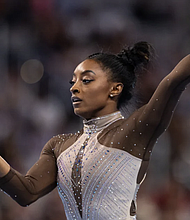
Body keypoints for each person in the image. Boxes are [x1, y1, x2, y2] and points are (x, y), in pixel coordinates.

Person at [0, 41, 190, 220]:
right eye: (73, 82)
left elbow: (173, 81)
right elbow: (26, 192)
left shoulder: (133, 132)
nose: (74, 88)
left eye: (86, 80)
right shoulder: (58, 146)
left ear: (115, 89)